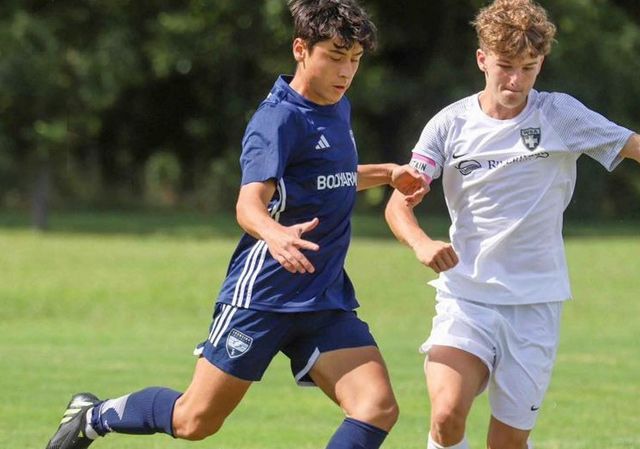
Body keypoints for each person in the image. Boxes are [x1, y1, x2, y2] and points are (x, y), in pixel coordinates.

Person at [384, 1, 640, 448]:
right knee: (447, 415)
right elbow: (399, 203)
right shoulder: (449, 125)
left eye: (528, 68)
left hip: (535, 303)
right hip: (466, 297)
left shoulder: (559, 115)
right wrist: (419, 244)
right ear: (482, 60)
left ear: (541, 63)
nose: (515, 81)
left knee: (506, 443)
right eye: (505, 66)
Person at [45, 1, 428, 449]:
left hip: (322, 298)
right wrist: (274, 232)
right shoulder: (277, 119)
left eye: (355, 60)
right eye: (335, 57)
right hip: (263, 295)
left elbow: (326, 178)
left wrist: (387, 173)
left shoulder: (336, 107)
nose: (346, 72)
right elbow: (248, 205)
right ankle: (94, 416)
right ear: (301, 49)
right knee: (195, 421)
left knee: (377, 407)